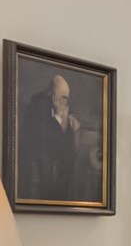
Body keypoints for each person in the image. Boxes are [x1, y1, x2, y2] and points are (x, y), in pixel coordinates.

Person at [16, 72, 85, 201]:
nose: (65, 102)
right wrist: (58, 117)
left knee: (69, 159)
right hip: (40, 150)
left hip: (57, 150)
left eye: (67, 98)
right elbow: (42, 135)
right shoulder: (37, 103)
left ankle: (63, 198)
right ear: (52, 94)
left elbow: (69, 112)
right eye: (63, 97)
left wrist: (72, 117)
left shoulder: (62, 103)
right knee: (46, 160)